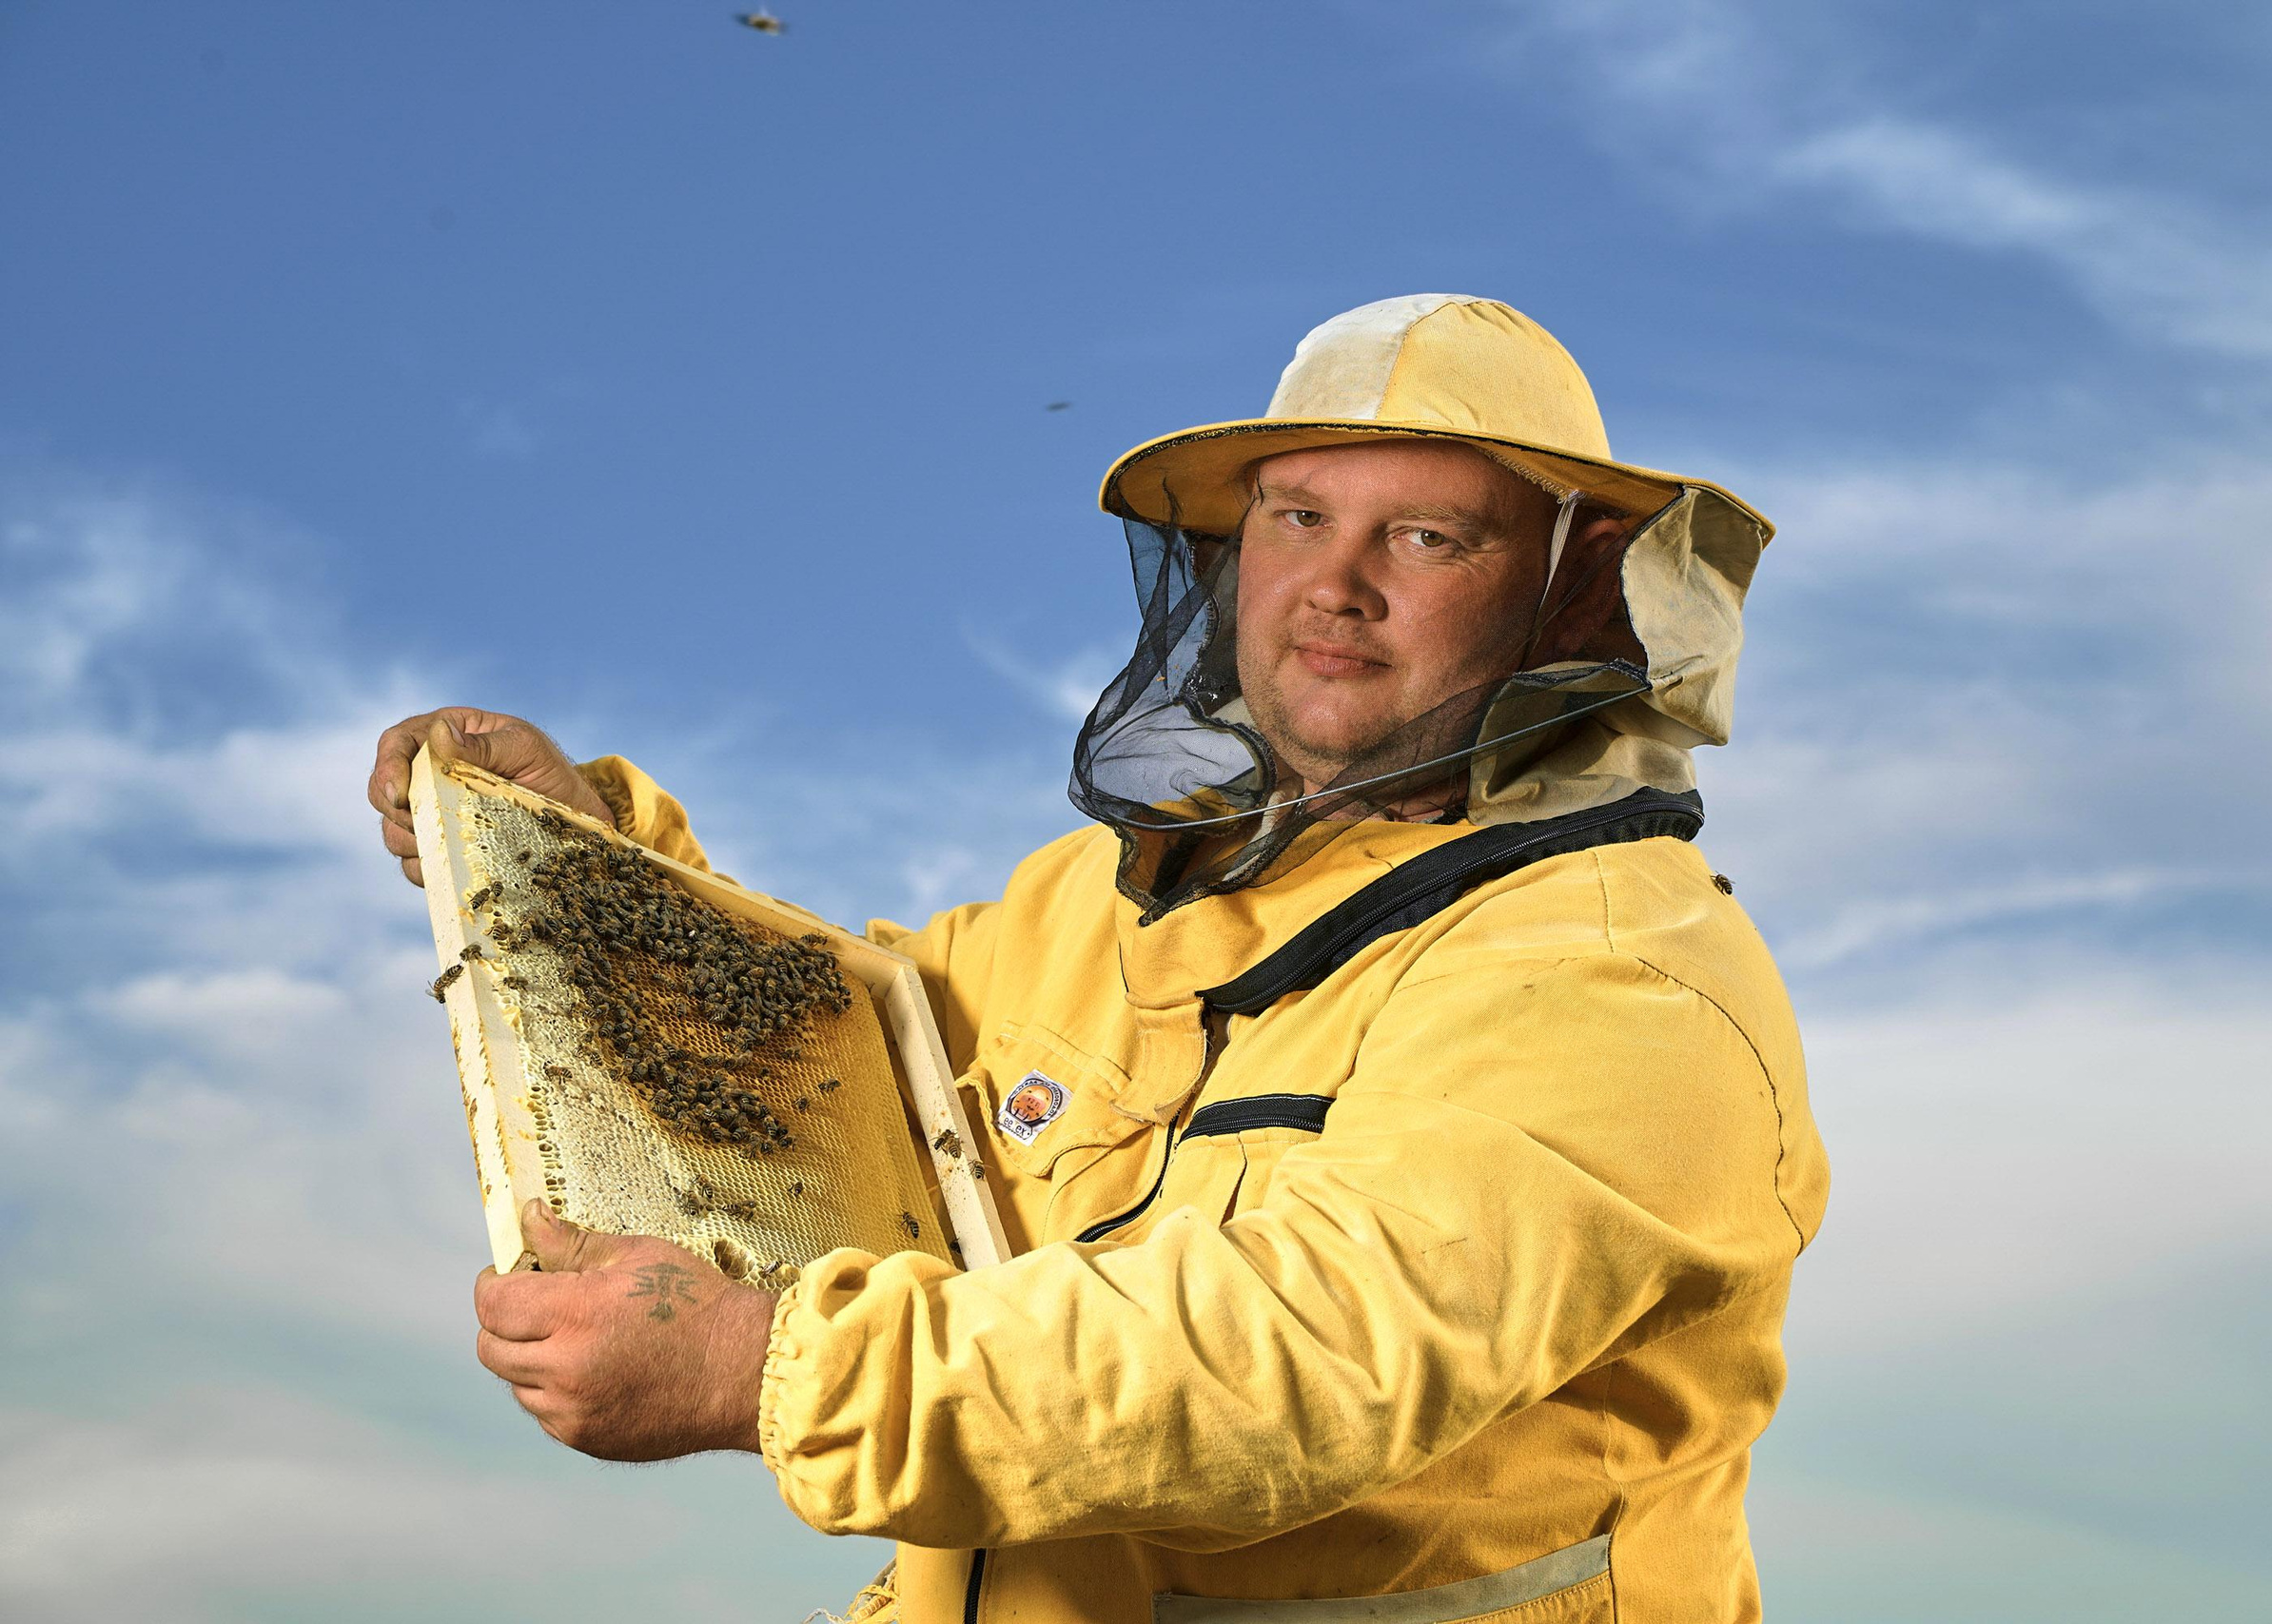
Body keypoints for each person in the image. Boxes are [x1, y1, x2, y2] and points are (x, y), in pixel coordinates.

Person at [367, 294, 1829, 1624]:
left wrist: (762, 1370)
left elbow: (1297, 1357)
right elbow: (843, 1074)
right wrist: (589, 863)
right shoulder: (1112, 895)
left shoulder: (1627, 975)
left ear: (1567, 598)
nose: (1335, 585)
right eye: (1297, 518)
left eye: (1428, 537)